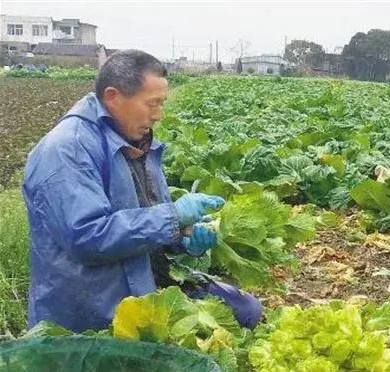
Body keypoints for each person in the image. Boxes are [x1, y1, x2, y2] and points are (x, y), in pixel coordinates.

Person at [22, 50, 262, 333]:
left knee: (246, 310)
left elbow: (146, 219)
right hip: (93, 307)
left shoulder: (135, 140)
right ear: (113, 97)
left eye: (162, 103)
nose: (159, 114)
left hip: (144, 278)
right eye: (152, 104)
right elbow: (87, 236)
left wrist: (184, 237)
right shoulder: (67, 149)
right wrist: (172, 216)